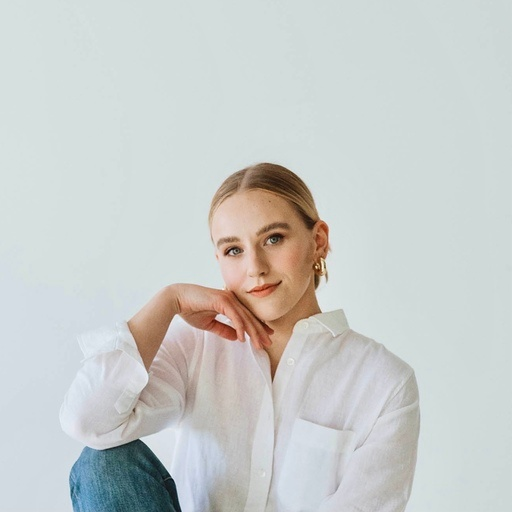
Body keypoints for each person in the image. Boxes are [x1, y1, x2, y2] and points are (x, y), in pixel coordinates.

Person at [60, 162, 420, 512]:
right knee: (102, 464)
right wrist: (170, 300)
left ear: (319, 241)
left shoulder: (384, 382)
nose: (255, 268)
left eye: (274, 239)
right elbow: (88, 422)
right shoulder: (195, 347)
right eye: (234, 250)